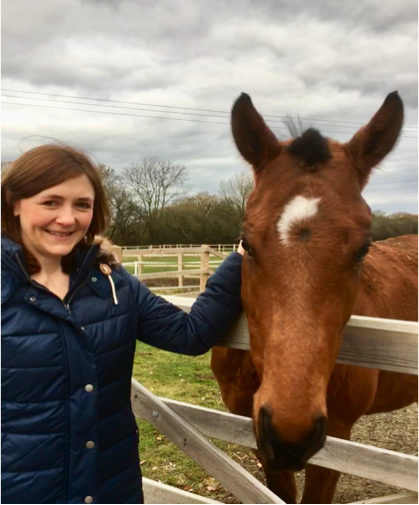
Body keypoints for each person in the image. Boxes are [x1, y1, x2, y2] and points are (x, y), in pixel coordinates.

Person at [0, 144, 244, 505]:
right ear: (14, 203)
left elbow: (189, 334)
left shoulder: (113, 285)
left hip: (112, 488)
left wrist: (242, 257)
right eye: (51, 202)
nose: (67, 218)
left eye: (82, 204)